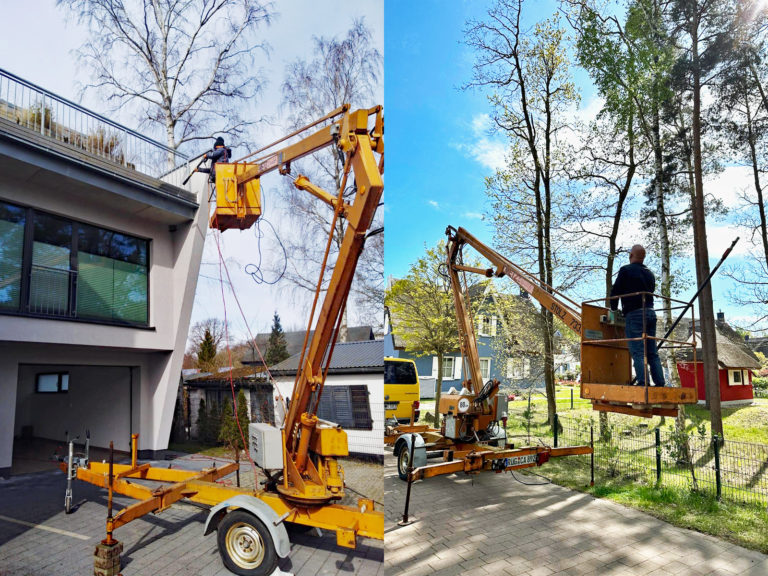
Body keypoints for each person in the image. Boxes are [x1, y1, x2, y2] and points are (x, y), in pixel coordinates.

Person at [610, 244, 666, 387]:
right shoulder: (649, 274)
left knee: (638, 351)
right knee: (652, 352)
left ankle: (643, 383)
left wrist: (614, 309)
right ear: (643, 257)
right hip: (651, 313)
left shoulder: (625, 270)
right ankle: (660, 383)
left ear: (630, 255)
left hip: (634, 314)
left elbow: (615, 291)